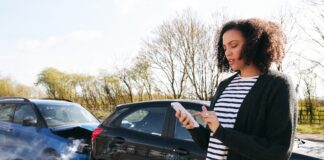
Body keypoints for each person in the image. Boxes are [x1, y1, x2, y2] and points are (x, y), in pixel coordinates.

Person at [175, 18, 297, 160]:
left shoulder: (278, 84)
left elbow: (278, 152)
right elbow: (213, 143)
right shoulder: (224, 86)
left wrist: (221, 132)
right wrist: (193, 127)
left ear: (253, 44)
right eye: (225, 48)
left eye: (233, 45)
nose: (227, 53)